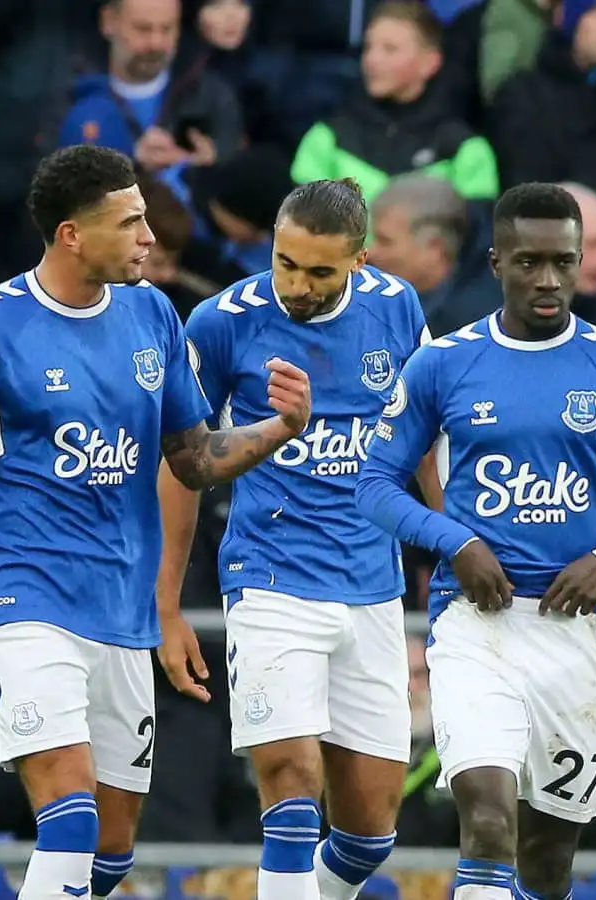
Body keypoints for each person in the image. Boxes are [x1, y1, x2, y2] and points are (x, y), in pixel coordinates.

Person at [0, 144, 312, 900]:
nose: (150, 236)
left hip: (122, 614)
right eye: (131, 220)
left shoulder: (151, 313)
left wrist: (276, 431)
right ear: (72, 235)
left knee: (110, 852)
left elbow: (193, 459)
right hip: (26, 605)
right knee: (70, 820)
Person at [355, 182, 596, 900]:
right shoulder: (444, 363)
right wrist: (455, 542)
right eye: (528, 262)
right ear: (496, 262)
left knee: (548, 859)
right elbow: (374, 483)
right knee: (489, 825)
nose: (548, 279)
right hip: (474, 629)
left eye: (562, 261)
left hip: (575, 635)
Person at [156, 177, 434, 900]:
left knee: (371, 832)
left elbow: (426, 432)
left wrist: (450, 545)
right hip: (270, 575)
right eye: (285, 263)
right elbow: (180, 462)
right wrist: (164, 603)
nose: (297, 285)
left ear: (361, 261)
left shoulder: (397, 308)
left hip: (373, 581)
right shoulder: (221, 323)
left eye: (319, 271)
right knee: (290, 783)